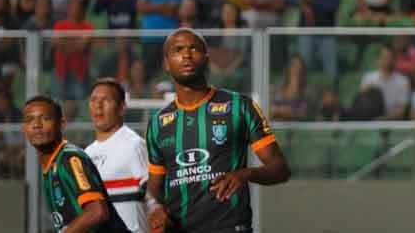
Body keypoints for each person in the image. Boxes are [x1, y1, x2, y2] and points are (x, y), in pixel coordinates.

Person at [146, 28, 291, 233]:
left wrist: (244, 174)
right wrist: (153, 207)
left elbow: (280, 169)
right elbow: (154, 187)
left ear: (206, 58)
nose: (186, 55)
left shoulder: (239, 106)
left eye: (194, 48)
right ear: (166, 63)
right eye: (178, 50)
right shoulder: (158, 123)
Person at [23, 95, 129, 232]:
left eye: (45, 119)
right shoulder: (51, 166)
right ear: (24, 128)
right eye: (30, 120)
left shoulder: (70, 159)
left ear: (61, 124)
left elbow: (97, 211)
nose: (36, 125)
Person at [85, 79, 151, 233]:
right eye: (94, 100)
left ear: (122, 108)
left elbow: (155, 197)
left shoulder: (134, 145)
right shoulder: (87, 154)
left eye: (106, 100)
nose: (98, 105)